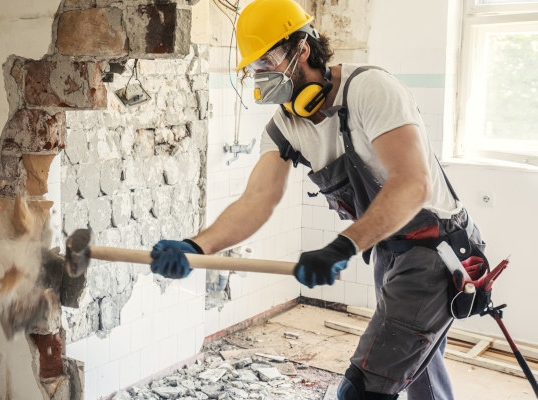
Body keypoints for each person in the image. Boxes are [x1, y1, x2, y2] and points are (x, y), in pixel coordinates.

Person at [148, 0, 487, 399]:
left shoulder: (369, 89)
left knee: (363, 389)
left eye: (267, 61)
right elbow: (256, 201)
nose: (259, 75)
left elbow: (412, 185)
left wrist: (342, 246)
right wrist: (195, 247)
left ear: (302, 49)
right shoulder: (285, 127)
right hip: (389, 251)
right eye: (252, 68)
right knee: (419, 369)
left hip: (435, 250)